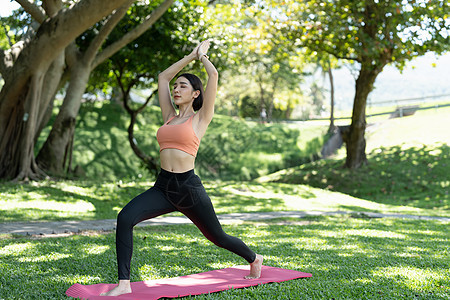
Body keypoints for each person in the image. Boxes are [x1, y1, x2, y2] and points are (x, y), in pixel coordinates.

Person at [101, 40, 263, 296]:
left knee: (217, 237)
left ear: (195, 93)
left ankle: (254, 258)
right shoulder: (169, 116)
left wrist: (202, 56)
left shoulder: (201, 118)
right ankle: (123, 283)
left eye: (183, 86)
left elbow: (213, 75)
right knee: (125, 218)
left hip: (188, 188)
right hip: (163, 187)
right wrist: (190, 55)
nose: (176, 89)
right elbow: (163, 77)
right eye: (176, 86)